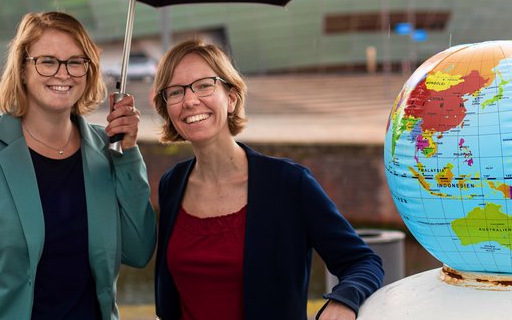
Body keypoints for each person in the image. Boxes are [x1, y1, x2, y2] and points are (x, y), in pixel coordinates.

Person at [0, 11, 157, 320]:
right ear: (23, 69)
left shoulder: (109, 151)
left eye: (75, 62)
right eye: (47, 61)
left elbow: (139, 250)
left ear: (89, 71)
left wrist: (128, 152)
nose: (63, 73)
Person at [152, 39, 383, 320]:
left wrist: (344, 300)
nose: (189, 100)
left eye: (204, 85)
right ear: (167, 108)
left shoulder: (288, 183)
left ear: (232, 97)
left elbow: (363, 262)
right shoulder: (172, 184)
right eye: (175, 92)